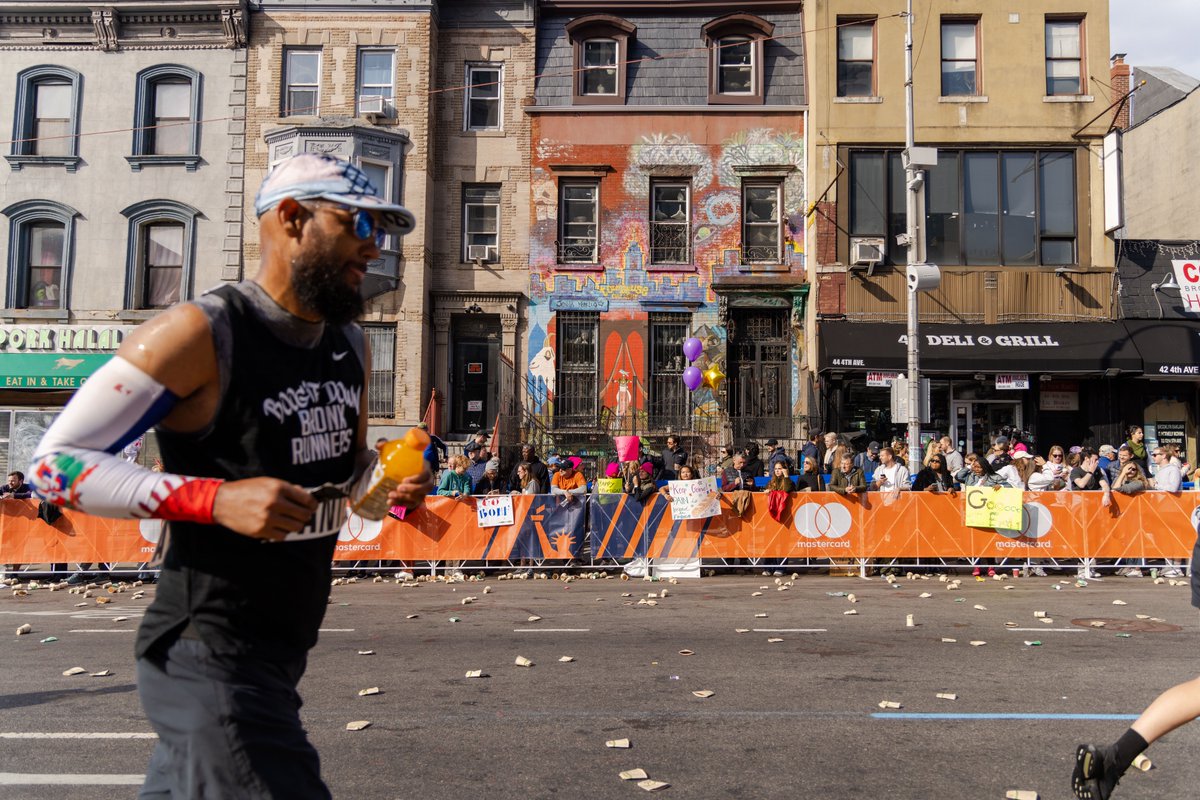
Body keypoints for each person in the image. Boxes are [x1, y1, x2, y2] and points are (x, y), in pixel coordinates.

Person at [26, 152, 433, 799]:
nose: (373, 248)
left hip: (280, 656)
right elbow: (53, 467)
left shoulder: (348, 345)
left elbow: (354, 484)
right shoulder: (202, 332)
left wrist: (387, 483)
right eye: (360, 224)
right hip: (206, 652)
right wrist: (213, 500)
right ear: (293, 218)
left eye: (381, 233)